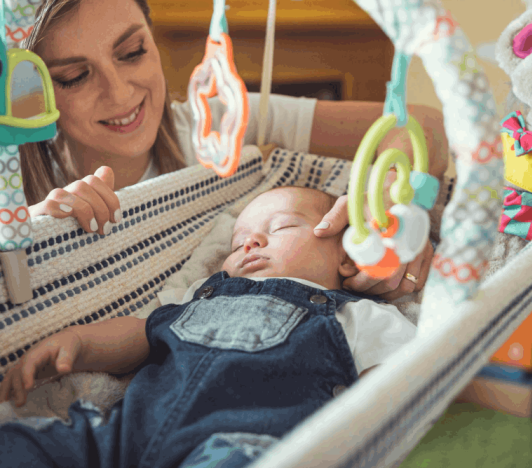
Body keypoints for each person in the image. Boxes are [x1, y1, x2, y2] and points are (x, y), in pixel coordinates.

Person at [1, 0, 448, 301]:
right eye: (74, 77)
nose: (119, 93)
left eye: (133, 51)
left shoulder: (220, 125)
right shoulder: (12, 184)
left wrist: (396, 199)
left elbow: (423, 124)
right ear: (23, 90)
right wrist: (31, 237)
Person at [0, 186, 417, 468]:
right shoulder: (203, 292)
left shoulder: (357, 314)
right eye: (238, 242)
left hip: (241, 444)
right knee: (21, 446)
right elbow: (142, 333)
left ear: (346, 258)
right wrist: (77, 342)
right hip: (124, 437)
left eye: (281, 228)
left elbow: (406, 372)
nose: (250, 244)